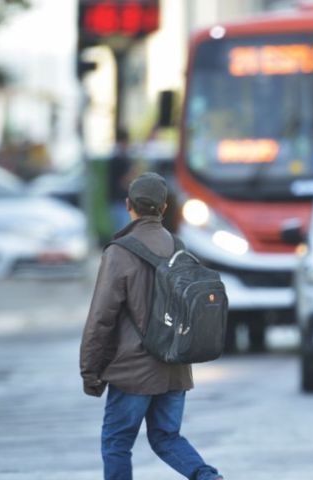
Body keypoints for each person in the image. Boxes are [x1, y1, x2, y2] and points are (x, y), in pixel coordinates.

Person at [80, 173, 223, 480]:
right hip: (174, 367)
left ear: (128, 205)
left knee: (117, 443)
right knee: (166, 436)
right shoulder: (179, 246)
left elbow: (101, 317)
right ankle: (209, 478)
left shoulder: (119, 252)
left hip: (133, 370)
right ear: (164, 207)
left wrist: (90, 370)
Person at [108, 128, 135, 233]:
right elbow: (124, 181)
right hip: (120, 201)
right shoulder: (120, 160)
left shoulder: (117, 158)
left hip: (118, 200)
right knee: (123, 231)